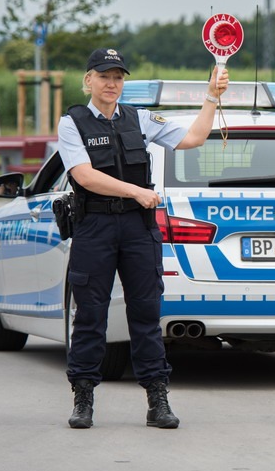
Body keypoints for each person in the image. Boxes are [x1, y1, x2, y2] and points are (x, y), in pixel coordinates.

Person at [57, 48, 229, 428]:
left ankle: (158, 400)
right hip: (95, 227)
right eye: (104, 76)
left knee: (147, 316)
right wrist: (135, 191)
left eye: (118, 77)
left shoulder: (140, 119)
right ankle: (83, 398)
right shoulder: (72, 123)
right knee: (89, 316)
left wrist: (212, 97)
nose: (112, 83)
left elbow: (195, 138)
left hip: (138, 229)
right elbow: (84, 176)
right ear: (89, 80)